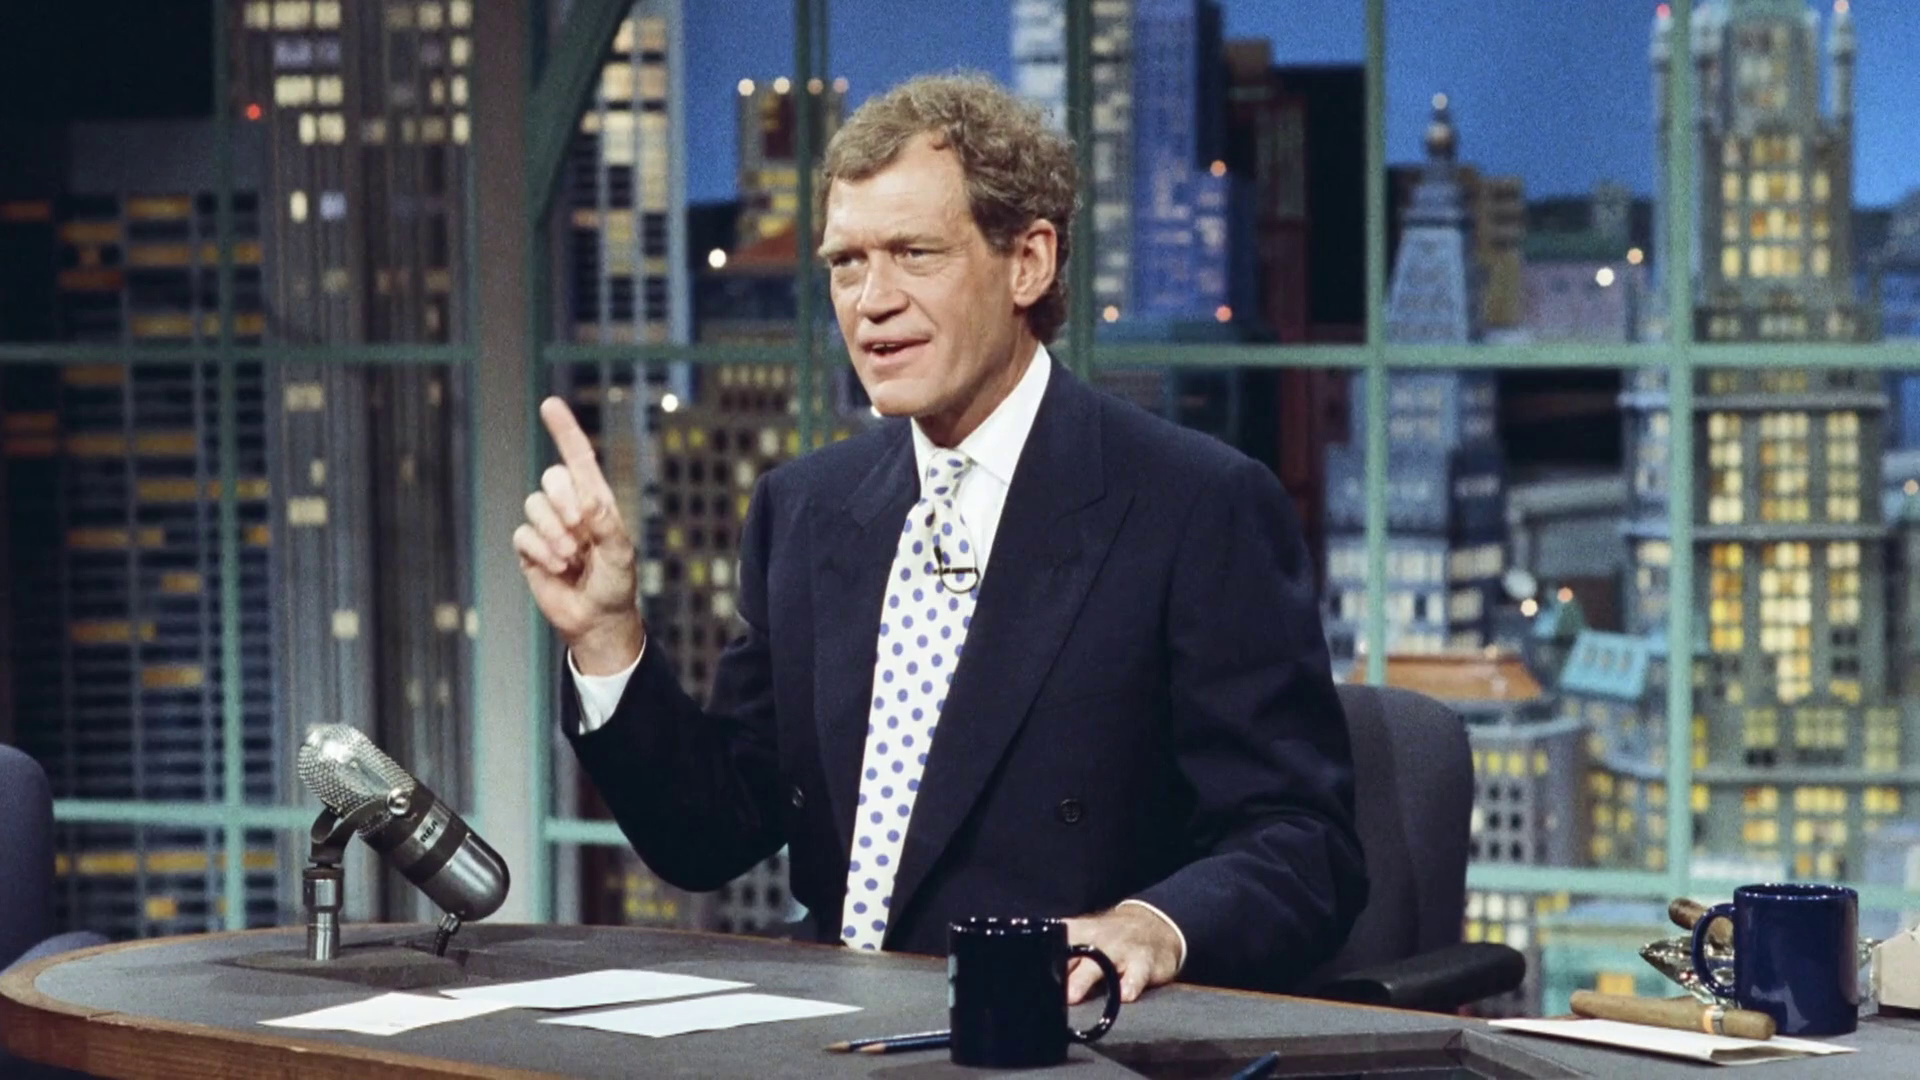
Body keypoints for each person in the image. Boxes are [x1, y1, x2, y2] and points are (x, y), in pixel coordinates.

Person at [515, 73, 1366, 1002]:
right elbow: (710, 835)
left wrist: (1152, 925)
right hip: (830, 1025)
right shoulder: (804, 510)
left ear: (1028, 262)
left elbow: (1302, 844)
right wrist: (607, 636)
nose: (871, 300)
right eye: (847, 263)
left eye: (915, 254)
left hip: (1049, 1030)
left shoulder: (1194, 506)